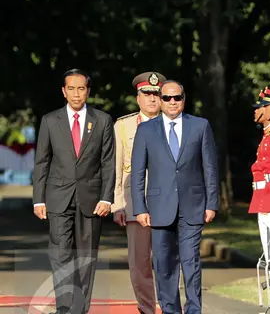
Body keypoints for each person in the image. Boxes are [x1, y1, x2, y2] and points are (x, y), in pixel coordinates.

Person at [130, 80, 219, 314]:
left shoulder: (200, 126)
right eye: (167, 98)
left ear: (184, 99)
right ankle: (170, 310)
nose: (172, 102)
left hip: (193, 205)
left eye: (176, 98)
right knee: (164, 266)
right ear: (159, 100)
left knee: (191, 263)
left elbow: (210, 167)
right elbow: (138, 171)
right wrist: (139, 207)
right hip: (159, 208)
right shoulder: (146, 130)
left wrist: (212, 203)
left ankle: (193, 310)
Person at [32, 68, 116, 314]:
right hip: (58, 198)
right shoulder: (50, 121)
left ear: (88, 91)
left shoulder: (102, 121)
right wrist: (39, 200)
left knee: (85, 258)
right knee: (60, 253)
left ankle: (79, 309)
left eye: (81, 89)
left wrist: (106, 197)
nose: (76, 94)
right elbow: (42, 162)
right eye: (71, 88)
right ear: (63, 91)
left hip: (91, 199)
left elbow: (108, 162)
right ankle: (65, 306)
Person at [111, 71, 166, 314]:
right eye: (147, 94)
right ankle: (146, 308)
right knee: (139, 262)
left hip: (167, 202)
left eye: (157, 94)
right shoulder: (123, 126)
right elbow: (115, 167)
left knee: (166, 260)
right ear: (138, 98)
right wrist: (117, 205)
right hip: (135, 202)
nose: (152, 99)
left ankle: (168, 305)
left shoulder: (174, 122)